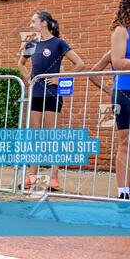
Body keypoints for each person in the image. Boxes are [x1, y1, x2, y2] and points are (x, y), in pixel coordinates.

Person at [17, 11, 84, 191]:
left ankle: (54, 178)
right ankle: (31, 176)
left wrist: (61, 78)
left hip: (53, 95)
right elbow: (20, 64)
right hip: (36, 95)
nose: (30, 25)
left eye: (33, 22)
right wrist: (29, 80)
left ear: (44, 23)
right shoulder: (31, 44)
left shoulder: (59, 43)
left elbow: (80, 64)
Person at [109, 0, 130, 200]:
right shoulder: (120, 31)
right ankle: (123, 192)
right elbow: (117, 61)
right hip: (124, 91)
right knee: (125, 142)